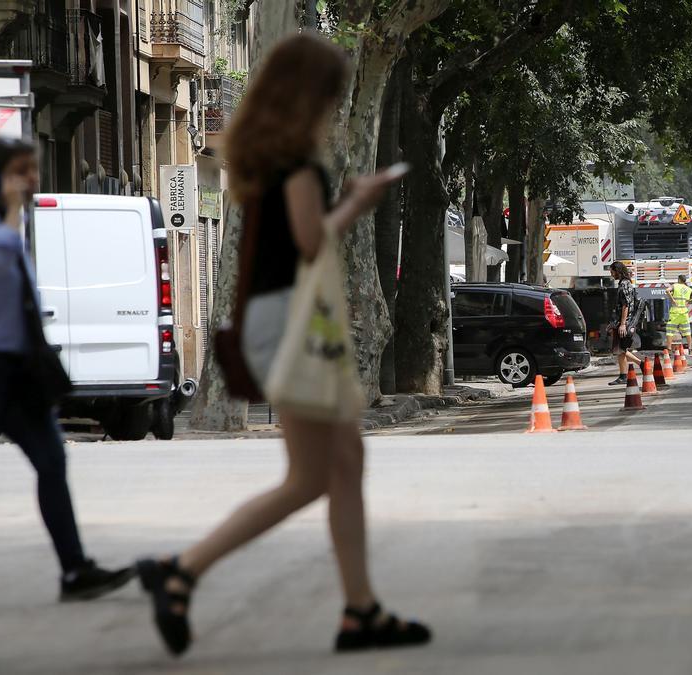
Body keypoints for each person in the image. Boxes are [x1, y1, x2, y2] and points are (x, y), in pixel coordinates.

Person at [135, 35, 429, 657]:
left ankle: (360, 610)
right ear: (309, 96)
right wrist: (357, 203)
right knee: (310, 477)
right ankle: (182, 570)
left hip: (280, 319)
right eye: (330, 96)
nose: (334, 106)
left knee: (343, 465)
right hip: (296, 324)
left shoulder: (266, 158)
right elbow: (311, 244)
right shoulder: (298, 165)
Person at [0, 137, 135, 601]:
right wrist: (14, 208)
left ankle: (75, 571)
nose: (32, 180)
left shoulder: (9, 222)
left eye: (32, 171)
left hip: (15, 373)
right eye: (22, 171)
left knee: (52, 462)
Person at [608, 260, 643, 385]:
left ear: (617, 271)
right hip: (621, 321)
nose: (612, 274)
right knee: (621, 349)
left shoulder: (624, 284)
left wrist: (622, 324)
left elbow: (625, 305)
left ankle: (623, 376)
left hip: (623, 322)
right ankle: (641, 365)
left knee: (620, 350)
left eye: (612, 272)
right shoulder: (627, 283)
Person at [665, 274, 692, 353]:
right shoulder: (688, 289)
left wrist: (673, 300)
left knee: (670, 331)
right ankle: (690, 348)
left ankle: (669, 348)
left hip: (675, 312)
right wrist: (688, 301)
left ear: (679, 280)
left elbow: (667, 290)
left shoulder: (675, 286)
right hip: (684, 313)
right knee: (687, 331)